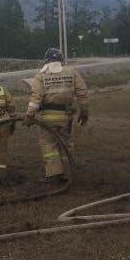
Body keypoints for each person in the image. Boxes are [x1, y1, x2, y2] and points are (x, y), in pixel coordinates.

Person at [24, 48, 88, 182]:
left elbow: (35, 99)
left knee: (48, 145)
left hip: (47, 118)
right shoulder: (72, 73)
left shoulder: (40, 76)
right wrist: (84, 112)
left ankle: (54, 174)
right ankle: (67, 172)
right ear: (61, 60)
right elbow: (82, 93)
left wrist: (29, 116)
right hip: (66, 118)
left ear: (46, 61)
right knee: (65, 144)